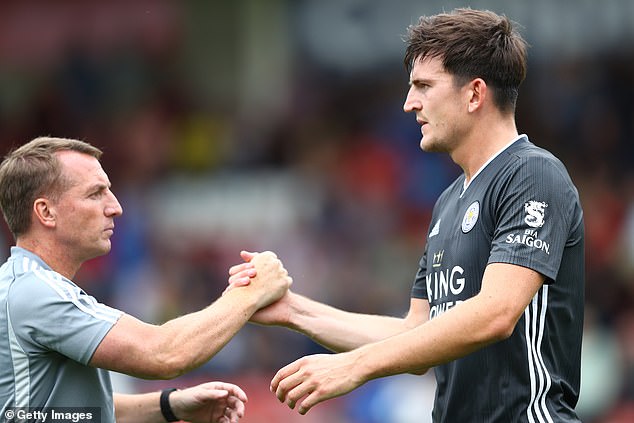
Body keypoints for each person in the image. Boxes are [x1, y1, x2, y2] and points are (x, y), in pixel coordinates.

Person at [229, 8, 585, 422]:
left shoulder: (532, 174)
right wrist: (293, 310)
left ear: (474, 94)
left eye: (423, 86)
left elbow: (496, 313)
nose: (408, 103)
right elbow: (415, 335)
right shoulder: (449, 201)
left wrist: (354, 366)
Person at [0, 137, 293, 423]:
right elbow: (163, 354)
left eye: (109, 191)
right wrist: (252, 290)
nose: (115, 207)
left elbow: (66, 413)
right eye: (95, 193)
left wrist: (169, 405)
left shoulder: (22, 286)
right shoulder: (35, 292)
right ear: (46, 212)